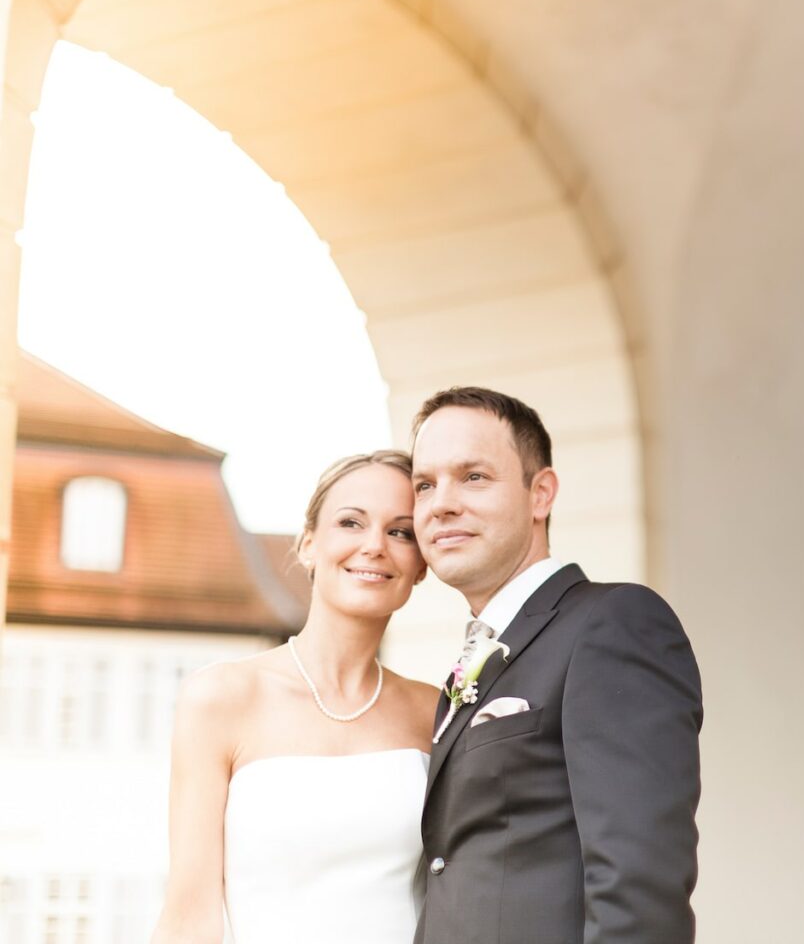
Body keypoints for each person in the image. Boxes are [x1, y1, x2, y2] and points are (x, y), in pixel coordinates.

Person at [410, 387, 703, 944]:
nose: (441, 503)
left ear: (540, 493)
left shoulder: (613, 622)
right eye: (425, 484)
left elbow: (639, 888)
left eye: (473, 476)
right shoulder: (477, 656)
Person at [151, 451, 439, 944]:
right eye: (351, 522)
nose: (374, 546)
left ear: (421, 566)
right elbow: (189, 917)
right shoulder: (221, 698)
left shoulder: (434, 712)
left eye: (401, 532)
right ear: (308, 544)